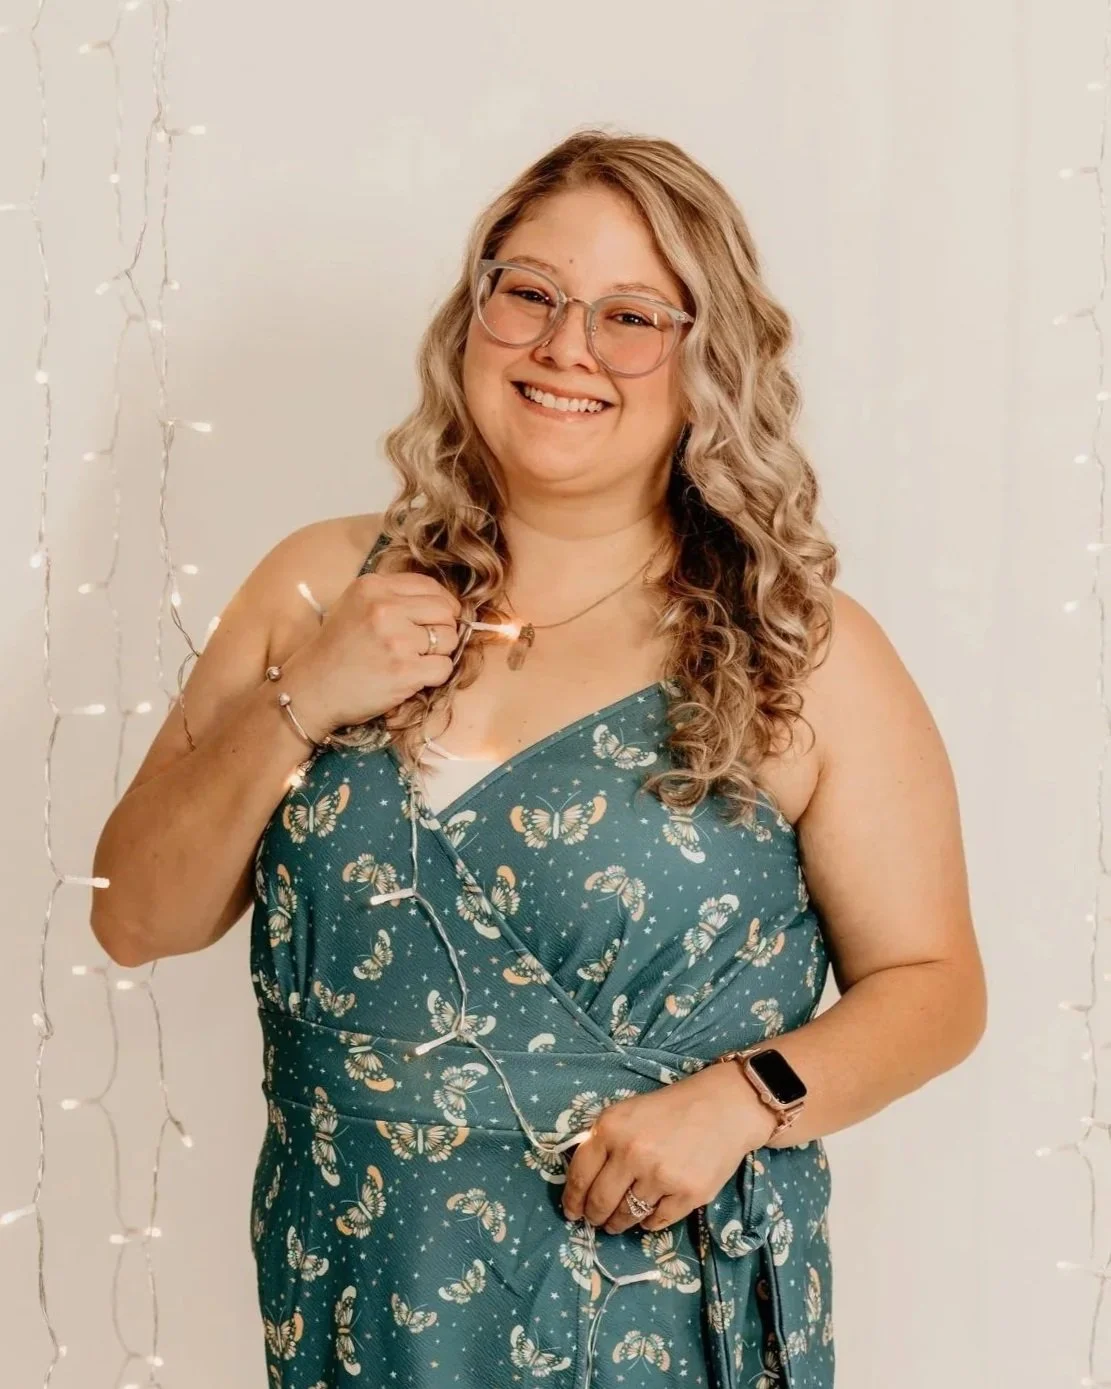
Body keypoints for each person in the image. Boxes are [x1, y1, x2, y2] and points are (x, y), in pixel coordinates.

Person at [90, 128, 987, 1389]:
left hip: (655, 1313)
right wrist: (302, 699)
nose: (567, 347)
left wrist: (745, 1098)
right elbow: (133, 917)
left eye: (632, 315)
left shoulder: (798, 649)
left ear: (705, 359)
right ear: (475, 312)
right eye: (532, 294)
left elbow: (935, 982)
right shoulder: (317, 588)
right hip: (361, 1300)